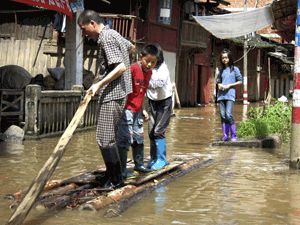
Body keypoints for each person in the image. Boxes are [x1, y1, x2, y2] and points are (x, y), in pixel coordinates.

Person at [77, 10, 135, 189]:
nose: (84, 33)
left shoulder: (106, 38)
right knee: (108, 137)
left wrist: (98, 84)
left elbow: (120, 67)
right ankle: (113, 176)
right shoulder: (114, 34)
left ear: (93, 23)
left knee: (104, 138)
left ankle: (116, 181)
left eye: (84, 28)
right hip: (119, 93)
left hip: (113, 94)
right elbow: (131, 47)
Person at [117, 44, 161, 178]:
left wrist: (143, 110)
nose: (149, 65)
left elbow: (141, 93)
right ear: (141, 57)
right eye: (147, 61)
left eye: (153, 63)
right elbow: (122, 89)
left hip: (137, 110)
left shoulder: (150, 73)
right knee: (125, 139)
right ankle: (122, 170)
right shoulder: (132, 69)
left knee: (139, 137)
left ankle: (139, 164)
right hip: (126, 109)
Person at [146, 45, 173, 170]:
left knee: (158, 131)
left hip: (165, 102)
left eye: (152, 60)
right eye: (148, 60)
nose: (150, 63)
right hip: (152, 102)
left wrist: (145, 81)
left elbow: (159, 83)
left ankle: (162, 159)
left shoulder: (163, 68)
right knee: (151, 132)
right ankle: (153, 158)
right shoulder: (146, 68)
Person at [216, 49, 242, 142]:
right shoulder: (221, 70)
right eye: (223, 58)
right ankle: (225, 135)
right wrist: (220, 85)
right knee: (222, 115)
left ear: (229, 58)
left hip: (230, 95)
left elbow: (240, 81)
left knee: (228, 114)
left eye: (226, 57)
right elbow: (218, 81)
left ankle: (234, 135)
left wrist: (229, 85)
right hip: (221, 96)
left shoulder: (235, 69)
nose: (224, 59)